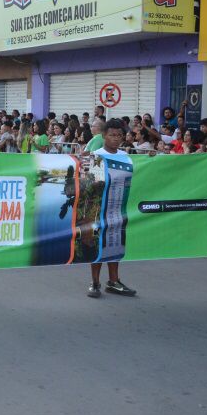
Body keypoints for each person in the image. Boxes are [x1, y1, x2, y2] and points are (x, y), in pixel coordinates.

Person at [85, 119, 138, 298]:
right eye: (112, 135)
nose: (115, 138)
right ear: (104, 136)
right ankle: (94, 282)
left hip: (118, 209)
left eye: (119, 135)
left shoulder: (125, 156)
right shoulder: (96, 155)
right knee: (98, 245)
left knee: (116, 244)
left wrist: (152, 158)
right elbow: (92, 183)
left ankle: (114, 282)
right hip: (99, 209)